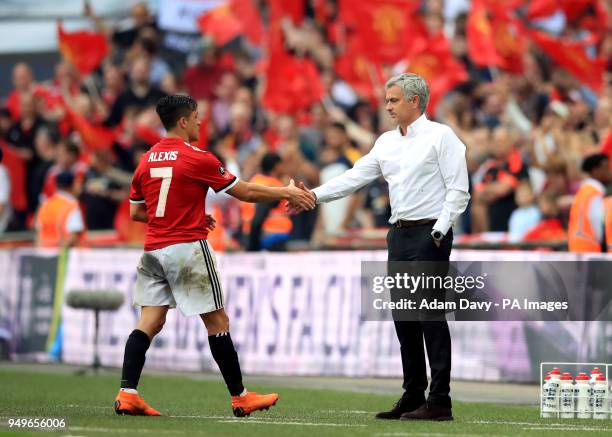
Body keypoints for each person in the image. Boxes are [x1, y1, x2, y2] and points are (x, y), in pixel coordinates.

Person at [114, 95, 314, 417]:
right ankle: (241, 397)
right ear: (183, 121)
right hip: (186, 248)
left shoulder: (146, 159)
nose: (200, 123)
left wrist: (184, 216)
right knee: (217, 322)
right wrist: (287, 192)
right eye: (196, 117)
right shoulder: (197, 157)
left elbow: (138, 212)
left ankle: (128, 392)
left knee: (149, 321)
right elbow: (246, 192)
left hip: (153, 250)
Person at [293, 73, 469, 421]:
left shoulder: (442, 136)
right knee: (404, 317)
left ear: (415, 101)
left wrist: (440, 230)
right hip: (399, 234)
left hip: (429, 233)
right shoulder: (386, 142)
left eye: (393, 100)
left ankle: (440, 400)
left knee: (430, 315)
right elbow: (354, 177)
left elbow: (458, 189)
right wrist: (313, 196)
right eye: (387, 100)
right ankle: (413, 394)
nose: (387, 106)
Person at [568, 153, 611, 252]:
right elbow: (598, 227)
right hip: (591, 251)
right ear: (595, 171)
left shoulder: (583, 192)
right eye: (606, 168)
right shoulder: (594, 193)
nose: (609, 172)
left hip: (578, 249)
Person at [35, 171, 85, 247]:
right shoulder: (71, 206)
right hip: (64, 256)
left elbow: (39, 234)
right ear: (71, 185)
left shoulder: (46, 205)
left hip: (45, 253)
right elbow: (73, 237)